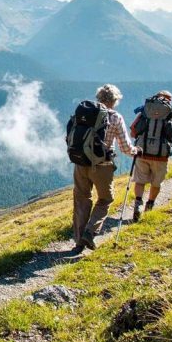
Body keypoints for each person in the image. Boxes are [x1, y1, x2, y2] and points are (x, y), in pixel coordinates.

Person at [68, 84, 141, 252]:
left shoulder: (84, 113)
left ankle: (79, 242)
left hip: (80, 162)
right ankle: (90, 231)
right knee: (105, 199)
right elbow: (125, 147)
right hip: (102, 165)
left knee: (81, 200)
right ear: (114, 101)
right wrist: (136, 151)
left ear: (98, 98)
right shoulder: (115, 117)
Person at [128, 90, 172, 222]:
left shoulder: (145, 111)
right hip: (161, 156)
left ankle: (138, 205)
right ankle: (149, 206)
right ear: (169, 100)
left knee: (140, 181)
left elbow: (133, 131)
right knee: (156, 183)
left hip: (142, 153)